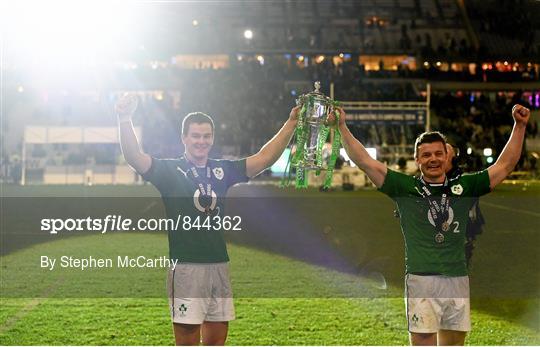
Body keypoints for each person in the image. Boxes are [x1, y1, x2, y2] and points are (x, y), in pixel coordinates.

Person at [337, 104, 530, 346]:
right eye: (426, 155)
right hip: (421, 280)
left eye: (438, 153)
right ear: (417, 159)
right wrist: (342, 126)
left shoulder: (465, 187)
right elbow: (365, 161)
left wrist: (519, 126)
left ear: (446, 156)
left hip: (456, 279)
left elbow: (504, 166)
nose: (433, 159)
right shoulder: (406, 188)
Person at [115, 93, 300, 345]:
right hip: (187, 269)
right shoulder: (169, 171)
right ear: (184, 138)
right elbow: (134, 157)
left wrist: (291, 122)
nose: (201, 141)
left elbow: (264, 158)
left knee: (216, 343)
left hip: (219, 265)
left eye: (206, 136)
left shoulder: (223, 170)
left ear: (212, 138)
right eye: (195, 136)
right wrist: (124, 118)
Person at [444, 144, 485, 270]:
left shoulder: (463, 181)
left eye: (443, 155)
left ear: (452, 160)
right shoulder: (433, 179)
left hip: (461, 236)